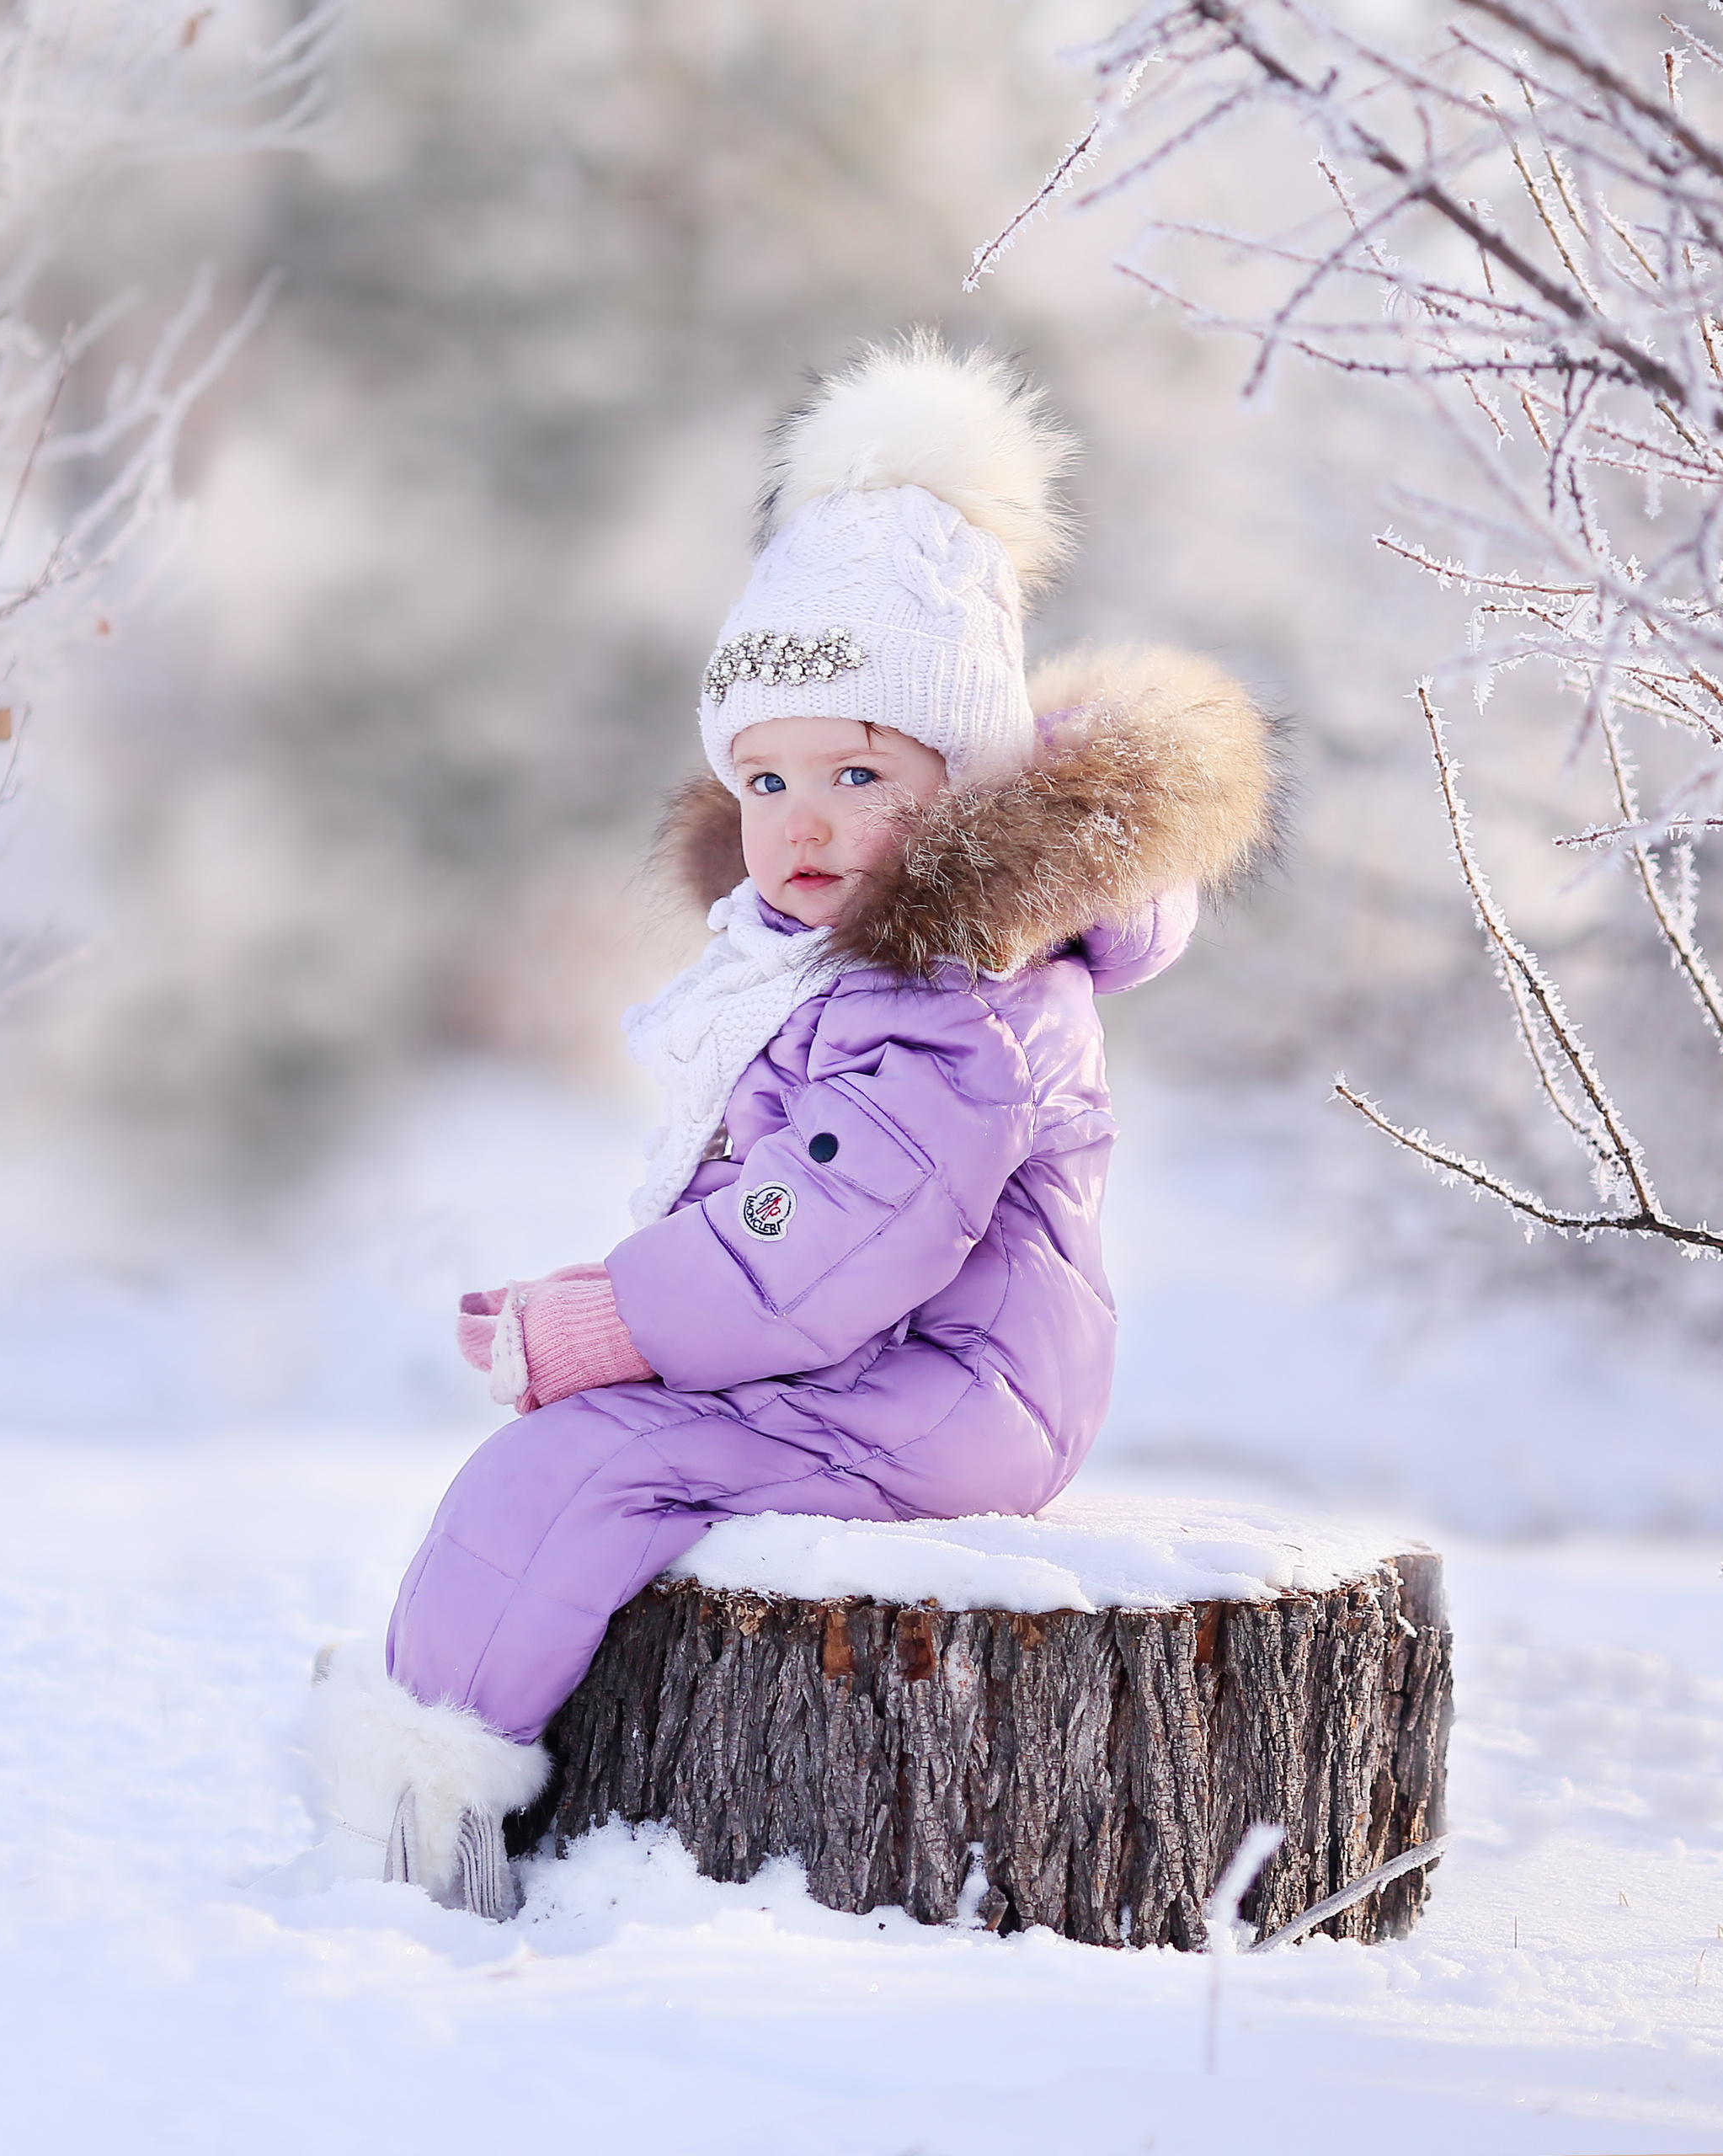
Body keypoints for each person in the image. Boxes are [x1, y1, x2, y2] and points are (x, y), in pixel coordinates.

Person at [281, 333, 1275, 1915]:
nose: (798, 825)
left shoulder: (967, 993)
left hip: (949, 1392)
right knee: (583, 1457)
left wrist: (611, 1324)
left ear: (965, 782)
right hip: (882, 1367)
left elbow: (827, 1241)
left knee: (574, 1470)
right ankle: (450, 1776)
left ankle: (426, 1824)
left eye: (859, 771)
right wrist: (618, 1312)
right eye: (764, 778)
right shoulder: (839, 966)